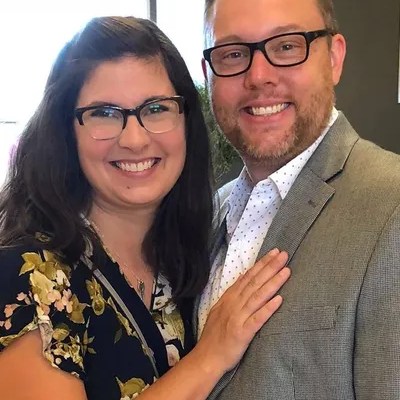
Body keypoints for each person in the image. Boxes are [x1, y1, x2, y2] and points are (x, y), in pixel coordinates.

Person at [0, 16, 292, 400]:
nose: (135, 140)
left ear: (186, 121)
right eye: (104, 113)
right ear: (65, 131)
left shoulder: (189, 253)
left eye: (156, 109)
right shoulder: (29, 269)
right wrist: (209, 357)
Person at [199, 0, 400, 399]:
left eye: (287, 46)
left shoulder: (391, 206)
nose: (259, 76)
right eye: (234, 54)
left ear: (334, 58)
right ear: (208, 74)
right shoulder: (211, 213)